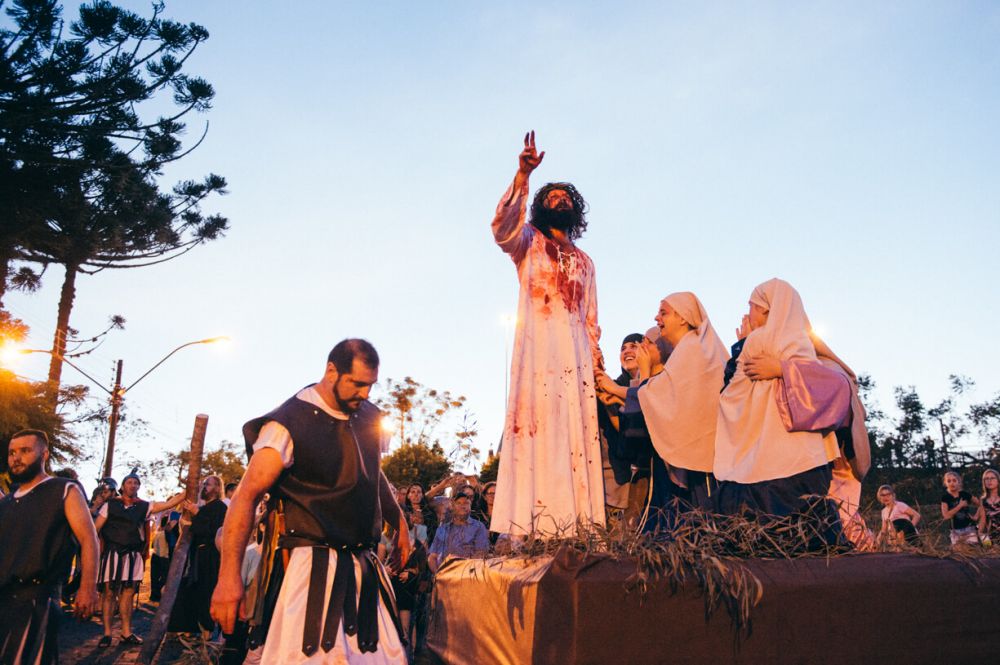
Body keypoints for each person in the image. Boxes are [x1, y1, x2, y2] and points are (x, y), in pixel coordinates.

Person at [211, 339, 409, 664]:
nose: (365, 394)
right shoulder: (287, 424)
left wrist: (397, 520)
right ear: (332, 371)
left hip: (364, 566)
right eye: (357, 383)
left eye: (370, 385)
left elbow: (373, 472)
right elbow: (245, 497)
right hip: (311, 568)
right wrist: (229, 579)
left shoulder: (368, 416)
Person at [490, 131, 606, 538]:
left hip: (574, 365)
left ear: (576, 210)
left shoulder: (588, 263)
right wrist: (522, 176)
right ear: (540, 207)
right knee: (537, 430)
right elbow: (502, 230)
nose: (559, 201)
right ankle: (532, 528)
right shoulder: (529, 243)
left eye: (566, 198)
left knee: (573, 432)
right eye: (551, 197)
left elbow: (591, 321)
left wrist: (597, 367)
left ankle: (576, 528)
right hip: (537, 356)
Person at [713, 279, 844, 545]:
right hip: (804, 457)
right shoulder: (802, 342)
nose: (748, 314)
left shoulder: (760, 340)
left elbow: (731, 393)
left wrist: (779, 368)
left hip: (767, 451)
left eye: (752, 307)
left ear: (766, 309)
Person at [0, 429, 100, 664]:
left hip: (37, 599)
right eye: (12, 452)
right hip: (4, 597)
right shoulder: (8, 501)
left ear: (44, 455)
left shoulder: (64, 489)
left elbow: (89, 538)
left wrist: (87, 587)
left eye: (25, 451)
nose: (16, 457)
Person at [93, 469, 186, 647]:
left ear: (138, 487)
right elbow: (96, 528)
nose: (133, 485)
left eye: (136, 483)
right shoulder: (110, 505)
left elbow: (170, 503)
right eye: (129, 482)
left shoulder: (144, 506)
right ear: (122, 486)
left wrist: (189, 489)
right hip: (112, 553)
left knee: (127, 593)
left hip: (132, 555)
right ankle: (106, 634)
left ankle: (126, 633)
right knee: (109, 593)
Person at [169, 474, 228, 635]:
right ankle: (189, 627)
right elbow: (189, 532)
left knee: (206, 592)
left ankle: (207, 630)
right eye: (204, 484)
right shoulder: (202, 508)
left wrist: (197, 513)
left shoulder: (220, 508)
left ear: (217, 488)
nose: (204, 487)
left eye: (208, 485)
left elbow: (213, 531)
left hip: (210, 557)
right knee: (192, 591)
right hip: (196, 556)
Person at [428, 491, 489, 572]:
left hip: (467, 574)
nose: (462, 506)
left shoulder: (478, 527)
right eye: (458, 503)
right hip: (444, 574)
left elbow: (481, 553)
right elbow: (432, 556)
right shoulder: (443, 529)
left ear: (470, 506)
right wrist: (436, 574)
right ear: (453, 506)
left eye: (466, 503)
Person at [941, 471, 979, 546]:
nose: (952, 483)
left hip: (969, 528)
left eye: (954, 480)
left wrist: (976, 516)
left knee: (973, 551)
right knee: (958, 554)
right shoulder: (945, 498)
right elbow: (946, 516)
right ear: (946, 483)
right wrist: (960, 506)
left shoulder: (965, 494)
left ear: (959, 482)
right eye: (949, 481)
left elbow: (981, 504)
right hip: (955, 531)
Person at [979, 469, 1000, 546]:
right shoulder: (983, 500)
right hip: (991, 537)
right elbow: (983, 520)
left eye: (992, 478)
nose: (989, 481)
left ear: (998, 480)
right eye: (986, 479)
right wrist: (980, 534)